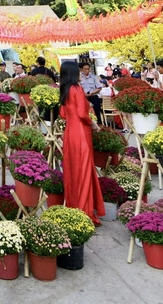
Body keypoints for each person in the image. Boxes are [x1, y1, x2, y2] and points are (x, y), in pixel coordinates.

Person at [59, 62, 105, 224]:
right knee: (84, 170)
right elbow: (82, 113)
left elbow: (63, 114)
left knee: (73, 170)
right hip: (81, 133)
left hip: (70, 133)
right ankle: (85, 210)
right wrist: (93, 124)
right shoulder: (77, 89)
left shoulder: (65, 89)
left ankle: (74, 205)